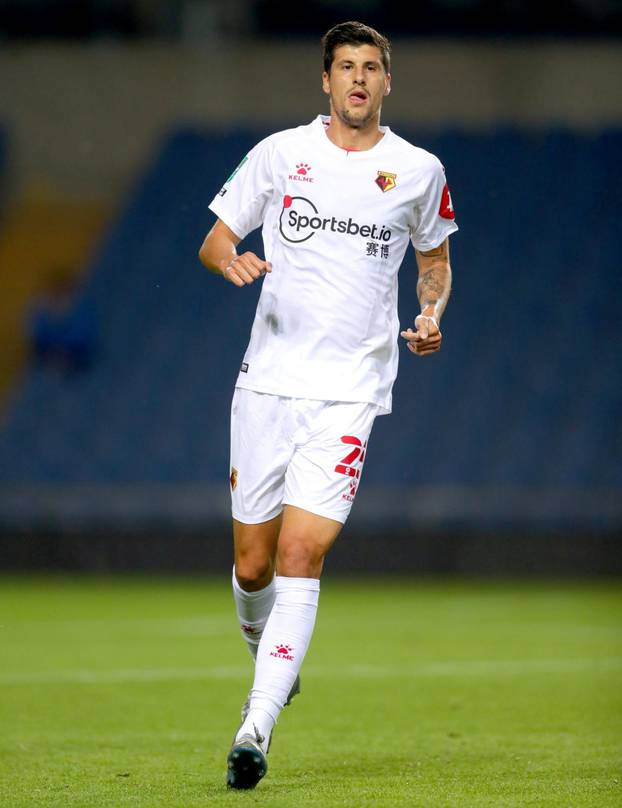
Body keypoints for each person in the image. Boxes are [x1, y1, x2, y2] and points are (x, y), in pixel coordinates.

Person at [198, 20, 458, 790]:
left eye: (371, 67)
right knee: (252, 567)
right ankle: (274, 661)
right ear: (325, 80)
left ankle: (256, 726)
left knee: (301, 553)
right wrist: (232, 261)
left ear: (386, 83)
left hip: (348, 393)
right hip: (267, 383)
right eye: (345, 66)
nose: (357, 79)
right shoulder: (283, 154)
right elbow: (214, 239)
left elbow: (435, 261)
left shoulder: (417, 169)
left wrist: (431, 314)